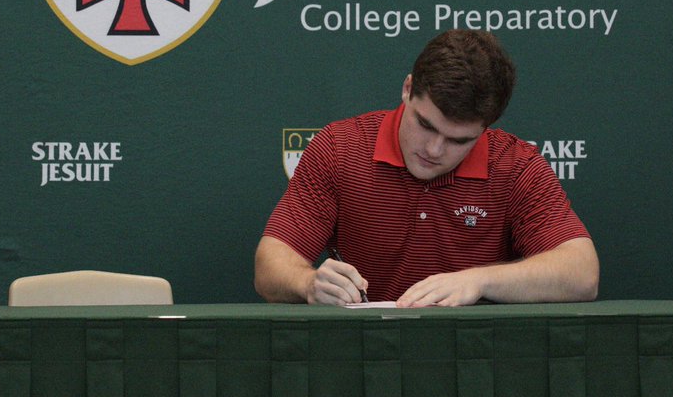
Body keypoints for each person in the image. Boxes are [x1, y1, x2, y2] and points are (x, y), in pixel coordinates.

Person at [254, 29, 598, 307]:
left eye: (459, 140)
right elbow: (270, 264)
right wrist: (308, 283)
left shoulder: (516, 166)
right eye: (425, 125)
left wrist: (479, 281)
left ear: (486, 127)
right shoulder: (339, 148)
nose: (434, 150)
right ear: (408, 89)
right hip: (360, 353)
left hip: (473, 356)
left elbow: (583, 273)